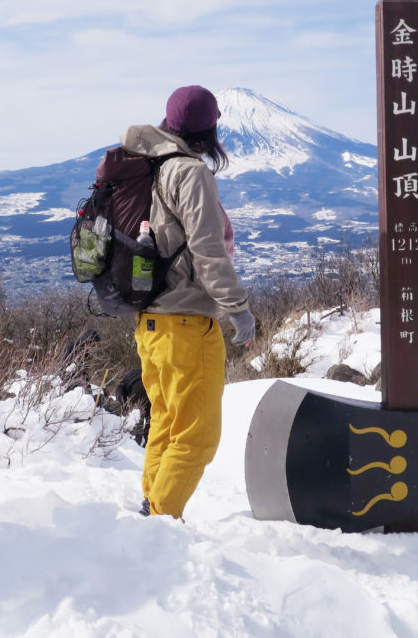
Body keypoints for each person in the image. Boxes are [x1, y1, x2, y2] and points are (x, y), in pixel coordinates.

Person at [118, 85, 255, 519]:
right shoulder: (190, 173)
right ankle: (159, 520)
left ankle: (151, 507)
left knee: (166, 422)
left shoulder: (151, 164)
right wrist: (238, 307)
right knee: (197, 436)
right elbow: (208, 250)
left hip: (152, 325)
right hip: (186, 326)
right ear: (210, 129)